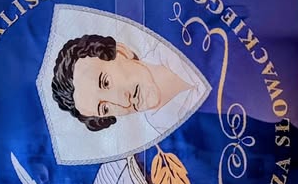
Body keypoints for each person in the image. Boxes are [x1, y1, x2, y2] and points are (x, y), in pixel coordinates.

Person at [51, 34, 199, 134]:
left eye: (106, 82)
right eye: (105, 109)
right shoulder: (164, 131)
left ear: (122, 52)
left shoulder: (178, 41)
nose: (124, 102)